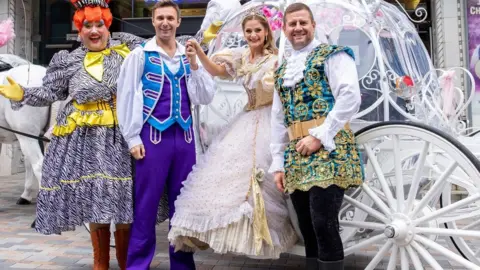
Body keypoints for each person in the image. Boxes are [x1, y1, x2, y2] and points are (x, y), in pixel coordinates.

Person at [0, 0, 145, 269]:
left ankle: (126, 262)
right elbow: (50, 93)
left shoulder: (128, 55)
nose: (93, 30)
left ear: (108, 26)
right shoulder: (69, 61)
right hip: (85, 142)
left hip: (121, 136)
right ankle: (100, 261)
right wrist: (23, 93)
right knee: (96, 200)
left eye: (99, 24)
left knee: (125, 201)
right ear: (79, 30)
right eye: (87, 25)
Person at [167, 7, 297, 259]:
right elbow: (216, 71)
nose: (252, 35)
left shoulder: (275, 59)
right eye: (248, 31)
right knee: (225, 174)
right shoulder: (241, 57)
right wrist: (201, 55)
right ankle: (218, 227)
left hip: (271, 121)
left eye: (257, 30)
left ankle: (261, 234)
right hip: (246, 119)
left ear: (266, 32)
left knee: (259, 177)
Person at [115, 1, 215, 269]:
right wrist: (133, 138)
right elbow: (125, 97)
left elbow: (205, 96)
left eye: (170, 18)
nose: (165, 23)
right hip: (153, 140)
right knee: (145, 207)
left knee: (182, 209)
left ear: (179, 22)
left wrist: (195, 64)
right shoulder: (140, 55)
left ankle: (182, 265)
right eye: (160, 18)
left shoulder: (188, 55)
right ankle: (137, 265)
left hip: (184, 140)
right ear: (153, 20)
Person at [270, 3, 364, 270]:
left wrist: (320, 136)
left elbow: (350, 97)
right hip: (297, 152)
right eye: (292, 24)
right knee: (307, 227)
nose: (298, 28)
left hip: (329, 146)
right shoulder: (281, 70)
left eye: (303, 23)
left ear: (313, 25)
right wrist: (278, 163)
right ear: (285, 29)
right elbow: (278, 119)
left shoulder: (333, 55)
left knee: (324, 222)